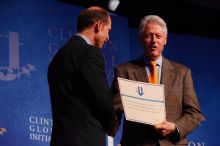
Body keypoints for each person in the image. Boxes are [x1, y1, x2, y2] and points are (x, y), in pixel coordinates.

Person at [111, 15, 205, 146]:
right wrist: (108, 132)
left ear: (165, 40)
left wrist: (174, 127)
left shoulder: (182, 73)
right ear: (141, 39)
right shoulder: (124, 71)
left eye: (158, 36)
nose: (154, 41)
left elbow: (194, 113)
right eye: (149, 36)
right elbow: (114, 111)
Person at [47, 6, 117, 146]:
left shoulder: (58, 57)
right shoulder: (89, 53)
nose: (108, 38)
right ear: (98, 26)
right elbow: (102, 99)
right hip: (85, 139)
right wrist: (112, 125)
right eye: (108, 30)